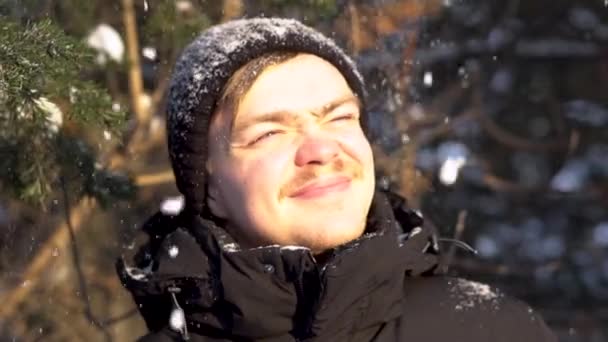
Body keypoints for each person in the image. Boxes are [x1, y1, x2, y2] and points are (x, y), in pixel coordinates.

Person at [116, 17, 557, 342]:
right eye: (270, 133)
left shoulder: (488, 328)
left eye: (340, 117)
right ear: (208, 188)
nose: (322, 150)